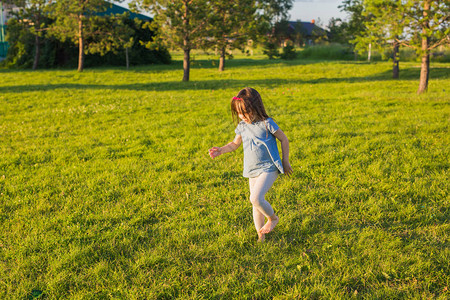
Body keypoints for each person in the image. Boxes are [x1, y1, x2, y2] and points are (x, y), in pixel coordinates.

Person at [209, 87, 293, 242]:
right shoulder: (242, 126)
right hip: (251, 170)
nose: (243, 116)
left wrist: (285, 161)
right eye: (239, 113)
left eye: (246, 112)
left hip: (269, 167)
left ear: (256, 107)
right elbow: (234, 144)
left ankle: (273, 219)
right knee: (256, 204)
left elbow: (284, 139)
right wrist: (221, 150)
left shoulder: (267, 123)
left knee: (255, 198)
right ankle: (260, 236)